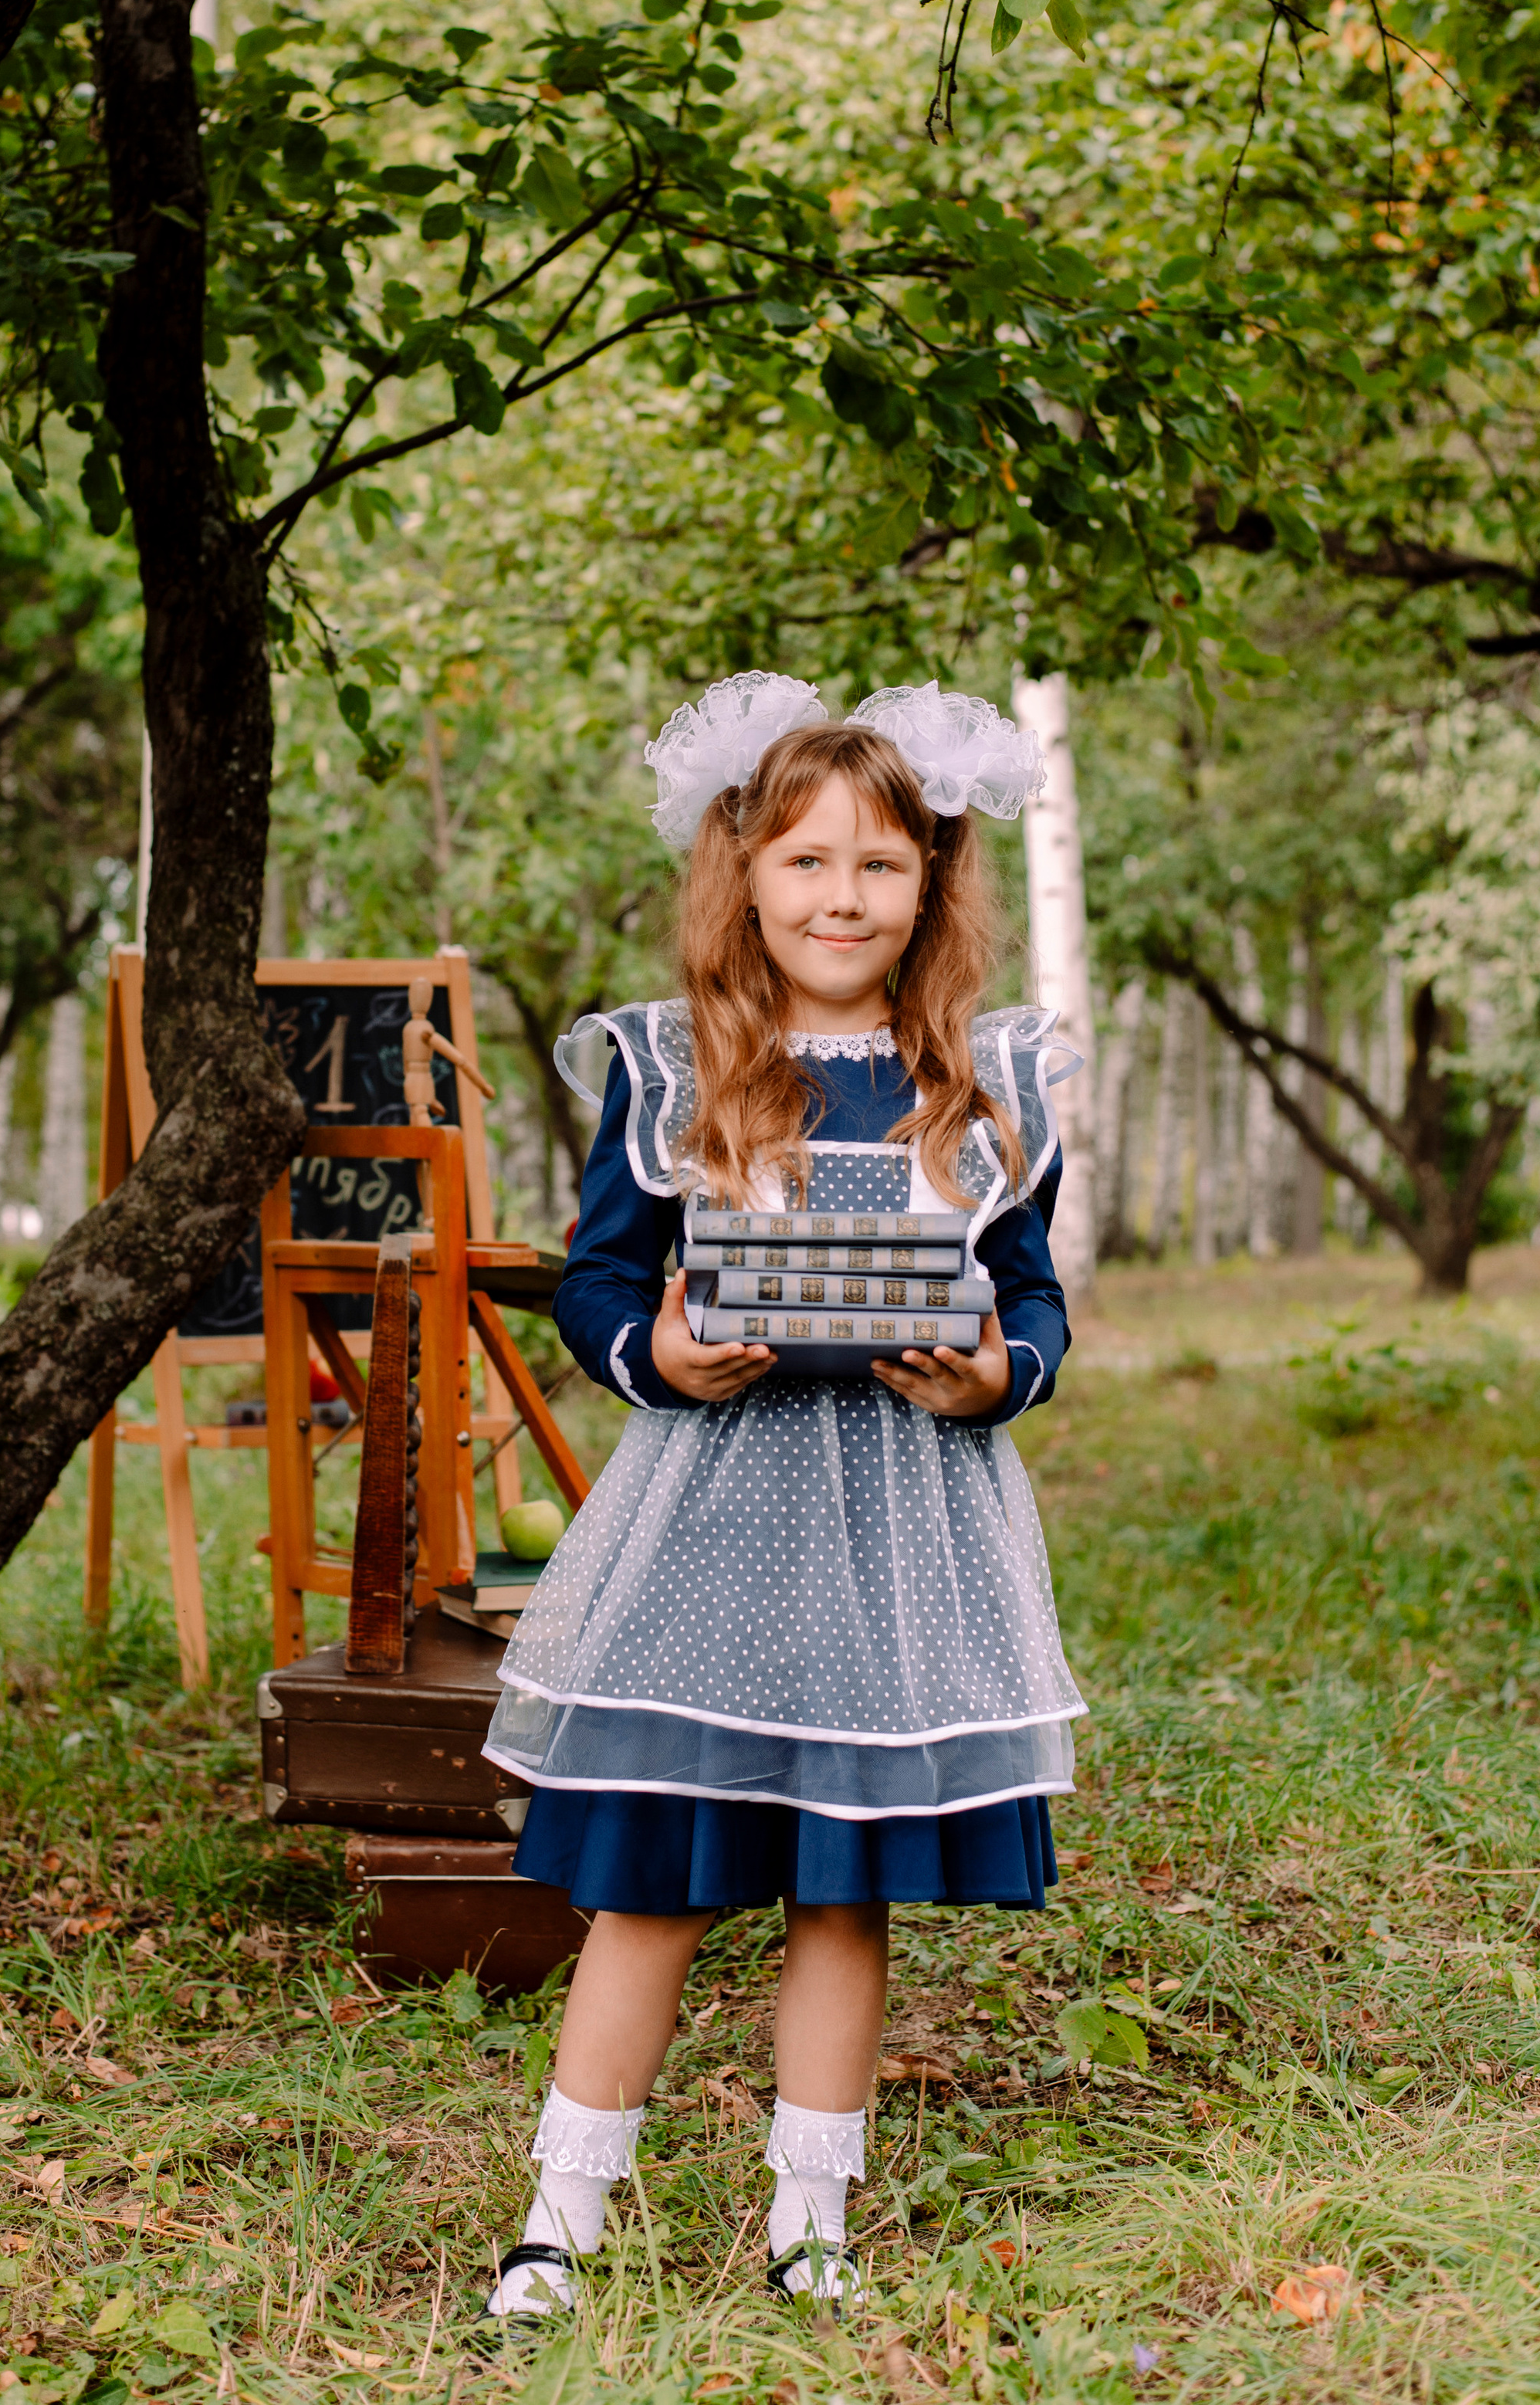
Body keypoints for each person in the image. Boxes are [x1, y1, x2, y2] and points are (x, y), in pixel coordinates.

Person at [478, 673, 1086, 2319]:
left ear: (929, 886)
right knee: (653, 1872)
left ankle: (809, 2218)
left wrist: (996, 1373)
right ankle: (562, 2214)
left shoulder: (975, 1076)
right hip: (712, 1517)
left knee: (842, 1879)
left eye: (878, 866)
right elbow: (600, 1275)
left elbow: (1026, 1298)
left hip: (900, 1515)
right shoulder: (677, 1067)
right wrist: (652, 1352)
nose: (840, 895)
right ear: (741, 872)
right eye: (806, 861)